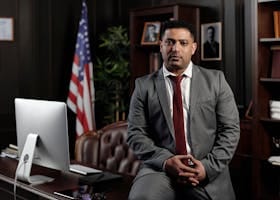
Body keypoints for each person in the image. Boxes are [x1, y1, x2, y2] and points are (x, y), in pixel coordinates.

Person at [127, 20, 240, 200]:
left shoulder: (216, 81)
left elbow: (230, 131)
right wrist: (166, 161)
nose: (176, 48)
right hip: (160, 170)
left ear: (193, 47)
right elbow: (135, 134)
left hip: (205, 169)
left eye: (183, 43)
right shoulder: (143, 86)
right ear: (161, 46)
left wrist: (206, 167)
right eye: (170, 42)